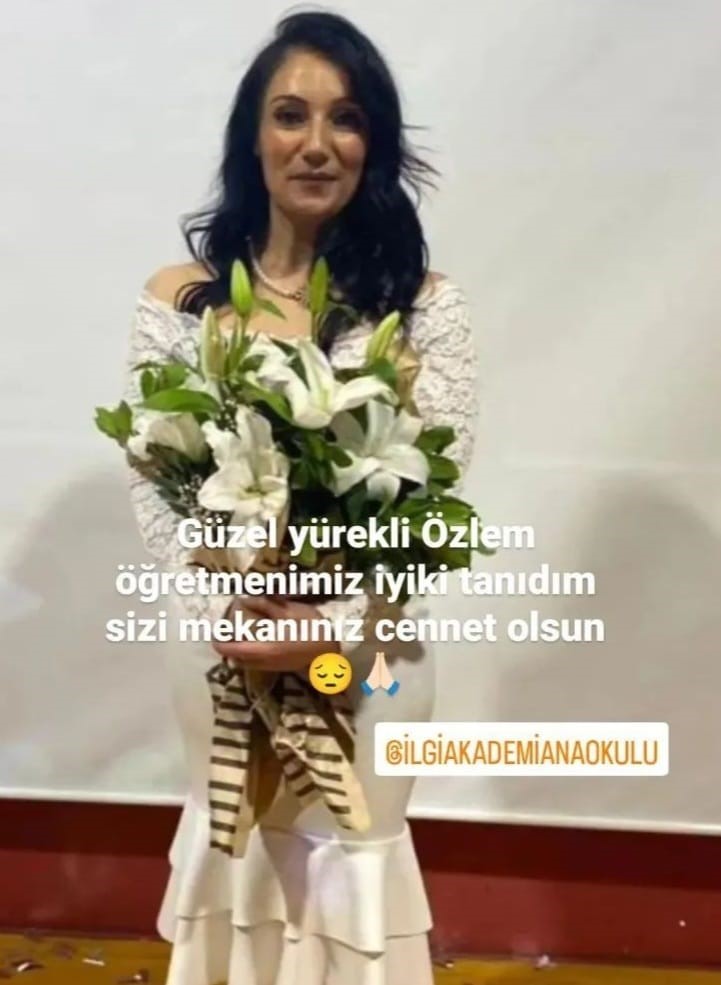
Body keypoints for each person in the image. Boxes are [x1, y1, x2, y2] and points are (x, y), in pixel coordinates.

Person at [124, 10, 479, 985]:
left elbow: (431, 504)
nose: (317, 143)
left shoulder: (425, 307)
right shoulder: (180, 301)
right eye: (290, 115)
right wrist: (240, 616)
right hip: (221, 648)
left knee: (352, 869)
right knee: (238, 865)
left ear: (375, 142)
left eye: (346, 118)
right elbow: (156, 495)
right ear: (253, 137)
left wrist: (332, 628)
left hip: (369, 658)